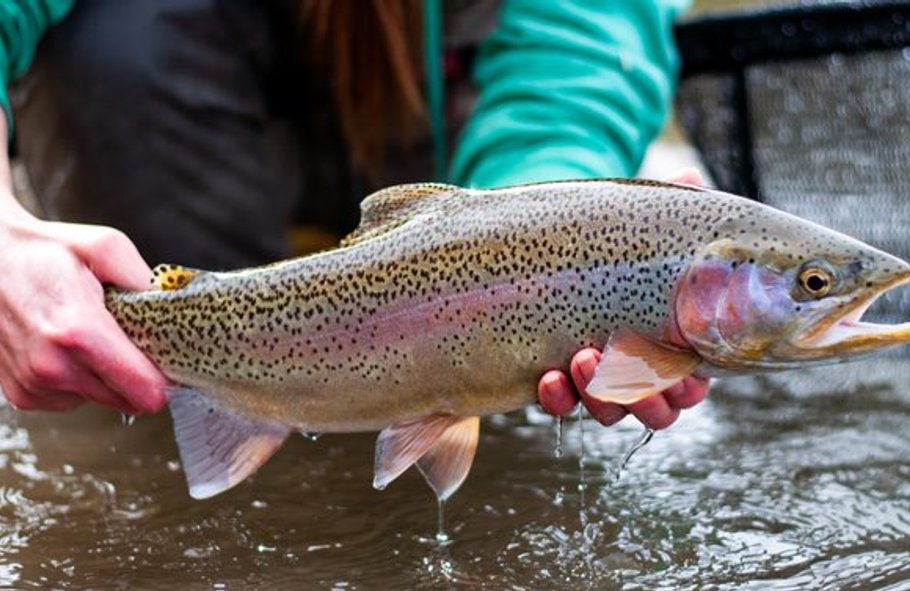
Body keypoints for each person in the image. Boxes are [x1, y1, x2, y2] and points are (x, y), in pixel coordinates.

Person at [0, 0, 707, 428]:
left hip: (447, 205)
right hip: (167, 145)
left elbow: (572, 74)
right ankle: (183, 393)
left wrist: (566, 269)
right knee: (117, 43)